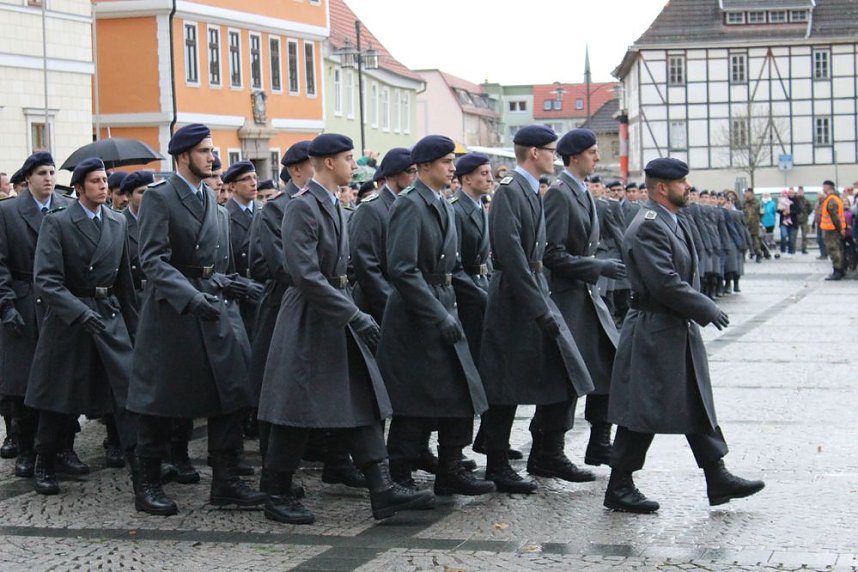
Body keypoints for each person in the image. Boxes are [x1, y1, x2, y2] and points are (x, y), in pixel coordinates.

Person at [258, 133, 434, 524]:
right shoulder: (302, 206)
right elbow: (304, 275)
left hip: (335, 312)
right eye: (349, 159)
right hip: (309, 318)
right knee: (294, 407)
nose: (354, 166)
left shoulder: (333, 203)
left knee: (360, 395)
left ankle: (381, 488)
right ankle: (277, 491)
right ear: (329, 162)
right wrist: (353, 314)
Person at [604, 157, 765, 514]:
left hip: (673, 327)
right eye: (682, 182)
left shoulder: (672, 219)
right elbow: (664, 281)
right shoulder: (648, 225)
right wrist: (705, 307)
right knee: (641, 411)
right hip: (654, 329)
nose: (688, 187)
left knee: (695, 401)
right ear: (663, 187)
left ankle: (716, 475)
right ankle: (619, 486)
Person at [127, 123, 265, 516]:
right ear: (184, 156)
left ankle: (226, 481)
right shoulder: (161, 197)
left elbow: (215, 265)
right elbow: (153, 260)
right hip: (173, 312)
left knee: (232, 392)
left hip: (214, 307)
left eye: (212, 150)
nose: (213, 157)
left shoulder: (214, 202)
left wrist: (234, 284)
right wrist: (190, 297)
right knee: (160, 400)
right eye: (205, 151)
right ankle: (148, 482)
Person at [479, 125, 593, 495]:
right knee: (505, 384)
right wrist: (538, 307)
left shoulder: (530, 189)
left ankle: (548, 452)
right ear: (533, 153)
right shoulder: (511, 190)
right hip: (514, 298)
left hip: (533, 290)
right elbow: (511, 256)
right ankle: (497, 463)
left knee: (565, 370)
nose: (554, 158)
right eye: (550, 151)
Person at [377, 136, 494, 497]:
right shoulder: (410, 204)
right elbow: (402, 269)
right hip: (416, 316)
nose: (452, 168)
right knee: (416, 400)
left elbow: (453, 268)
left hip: (443, 303)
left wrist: (483, 299)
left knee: (458, 392)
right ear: (424, 166)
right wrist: (437, 315)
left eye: (452, 161)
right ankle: (399, 474)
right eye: (446, 162)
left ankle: (450, 468)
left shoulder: (442, 202)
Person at [25, 158, 139, 495]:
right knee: (59, 396)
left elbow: (125, 284)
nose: (103, 186)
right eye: (95, 181)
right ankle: (45, 461)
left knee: (126, 392)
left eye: (105, 180)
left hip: (108, 315)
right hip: (70, 318)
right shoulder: (58, 222)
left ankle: (142, 470)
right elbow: (46, 280)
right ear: (78, 188)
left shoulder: (117, 221)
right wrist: (78, 311)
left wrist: (133, 328)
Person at [543, 128, 625, 474]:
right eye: (592, 152)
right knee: (567, 378)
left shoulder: (582, 192)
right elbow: (551, 254)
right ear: (574, 157)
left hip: (588, 296)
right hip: (567, 298)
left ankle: (599, 443)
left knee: (609, 365)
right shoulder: (560, 195)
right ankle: (548, 452)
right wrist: (597, 267)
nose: (597, 157)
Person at [0, 152, 79, 482]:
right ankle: (26, 449)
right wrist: (6, 305)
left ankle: (63, 447)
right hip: (24, 302)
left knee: (63, 379)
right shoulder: (8, 212)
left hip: (59, 303)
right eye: (41, 173)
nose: (48, 178)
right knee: (24, 383)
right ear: (27, 178)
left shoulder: (66, 207)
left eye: (51, 172)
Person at [222, 160, 261, 337]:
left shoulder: (265, 211)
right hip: (238, 294)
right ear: (232, 186)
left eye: (255, 177)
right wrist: (244, 285)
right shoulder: (223, 215)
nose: (253, 183)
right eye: (246, 179)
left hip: (263, 292)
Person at [820, 180, 846, 281]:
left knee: (833, 250)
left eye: (824, 187)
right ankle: (840, 270)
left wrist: (839, 228)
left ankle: (837, 271)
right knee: (838, 249)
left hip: (831, 229)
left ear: (828, 187)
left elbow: (834, 216)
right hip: (834, 228)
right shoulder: (835, 198)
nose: (823, 189)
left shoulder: (831, 200)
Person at [741, 189, 763, 262]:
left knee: (755, 241)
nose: (746, 194)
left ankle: (758, 254)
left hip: (754, 225)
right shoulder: (743, 203)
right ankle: (742, 256)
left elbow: (762, 213)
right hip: (745, 224)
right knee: (744, 240)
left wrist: (758, 220)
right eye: (745, 193)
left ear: (751, 194)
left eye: (747, 193)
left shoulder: (758, 203)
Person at [795, 186, 811, 254]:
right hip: (796, 220)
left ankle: (804, 249)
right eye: (799, 192)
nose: (800, 193)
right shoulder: (795, 200)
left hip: (804, 220)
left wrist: (806, 214)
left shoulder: (806, 201)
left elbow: (810, 209)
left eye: (801, 192)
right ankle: (793, 249)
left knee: (804, 235)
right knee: (794, 235)